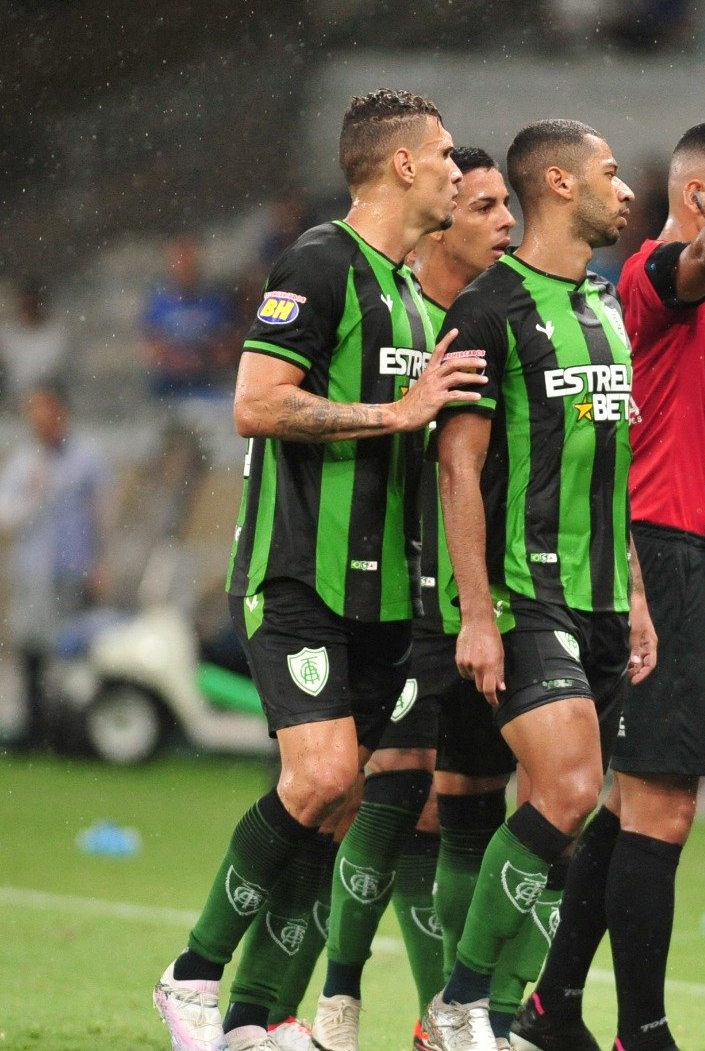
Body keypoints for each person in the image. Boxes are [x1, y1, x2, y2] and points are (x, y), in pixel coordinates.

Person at [152, 88, 483, 1051]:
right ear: (405, 166)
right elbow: (256, 403)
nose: (461, 171)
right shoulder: (319, 261)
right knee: (324, 775)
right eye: (448, 154)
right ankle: (192, 976)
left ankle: (258, 1019)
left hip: (386, 596)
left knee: (340, 805)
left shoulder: (416, 294)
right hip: (299, 575)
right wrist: (392, 414)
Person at [516, 116, 705, 1051]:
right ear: (701, 197)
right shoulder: (657, 278)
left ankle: (552, 1009)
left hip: (681, 554)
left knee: (631, 800)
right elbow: (702, 262)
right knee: (663, 803)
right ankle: (639, 1033)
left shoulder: (704, 305)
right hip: (656, 552)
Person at [232, 145, 512, 1051]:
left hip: (415, 593)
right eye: (482, 204)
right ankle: (278, 1000)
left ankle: (289, 1014)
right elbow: (264, 404)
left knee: (374, 802)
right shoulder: (360, 288)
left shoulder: (447, 313)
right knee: (356, 793)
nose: (502, 224)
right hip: (353, 589)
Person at [425, 119, 657, 1051]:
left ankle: (508, 1020)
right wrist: (476, 613)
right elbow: (458, 466)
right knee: (566, 790)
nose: (626, 189)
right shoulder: (488, 310)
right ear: (557, 184)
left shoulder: (603, 309)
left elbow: (614, 469)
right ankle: (460, 1005)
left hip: (602, 599)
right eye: (611, 173)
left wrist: (636, 595)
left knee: (557, 815)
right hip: (526, 597)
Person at [0, 381, 110, 749]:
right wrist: (31, 494)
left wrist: (100, 562)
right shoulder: (24, 463)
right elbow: (5, 518)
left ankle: (67, 732)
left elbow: (99, 514)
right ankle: (33, 730)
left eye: (46, 410)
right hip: (33, 573)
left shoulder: (86, 459)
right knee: (31, 649)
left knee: (70, 652)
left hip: (71, 571)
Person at [143, 235, 235, 398]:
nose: (184, 267)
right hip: (169, 382)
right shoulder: (158, 302)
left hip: (208, 378)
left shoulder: (215, 301)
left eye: (189, 261)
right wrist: (176, 358)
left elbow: (227, 348)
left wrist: (202, 357)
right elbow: (151, 347)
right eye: (179, 261)